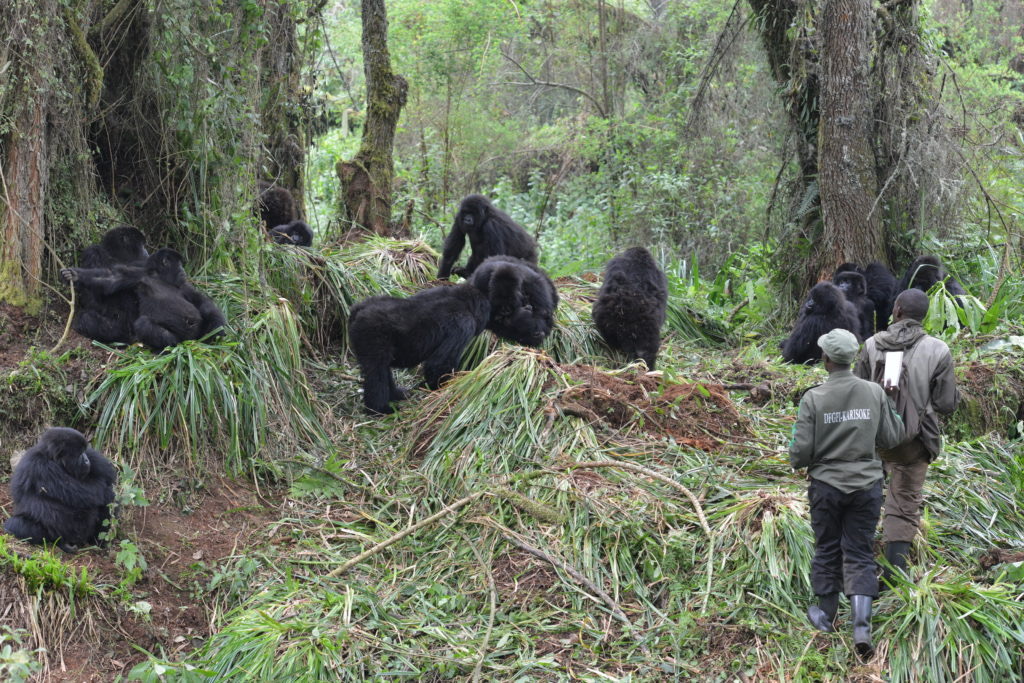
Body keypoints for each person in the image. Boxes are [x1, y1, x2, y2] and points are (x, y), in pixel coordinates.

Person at [790, 328, 904, 659]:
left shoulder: (813, 398)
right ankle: (861, 627)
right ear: (852, 359)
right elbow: (892, 437)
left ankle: (825, 616)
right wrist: (885, 407)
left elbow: (799, 454)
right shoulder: (873, 392)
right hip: (867, 486)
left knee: (827, 548)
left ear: (825, 359)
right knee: (859, 551)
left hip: (826, 487)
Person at [854, 288, 960, 581]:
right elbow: (946, 404)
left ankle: (856, 562)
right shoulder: (938, 349)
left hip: (872, 438)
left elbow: (858, 391)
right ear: (923, 316)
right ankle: (894, 572)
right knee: (903, 501)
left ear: (896, 309)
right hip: (914, 441)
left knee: (864, 494)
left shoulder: (871, 345)